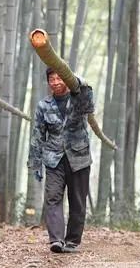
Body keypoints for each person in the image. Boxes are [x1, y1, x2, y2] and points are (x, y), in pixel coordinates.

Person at [28, 68, 95, 254]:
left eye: (59, 78)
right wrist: (35, 163)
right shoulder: (44, 105)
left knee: (78, 201)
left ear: (66, 79)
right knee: (52, 198)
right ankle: (56, 240)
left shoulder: (78, 97)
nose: (56, 82)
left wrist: (79, 82)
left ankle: (72, 241)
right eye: (51, 79)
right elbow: (38, 134)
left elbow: (90, 105)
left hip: (79, 158)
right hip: (54, 158)